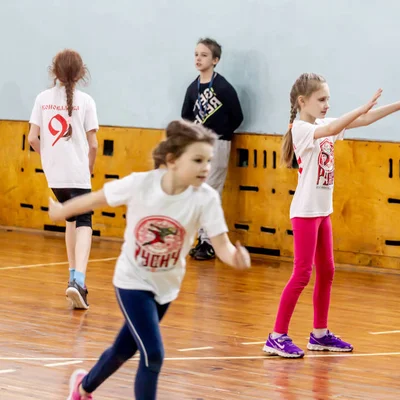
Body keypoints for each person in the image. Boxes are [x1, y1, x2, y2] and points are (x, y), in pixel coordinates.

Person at [55, 120, 251, 400]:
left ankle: (83, 388)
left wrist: (236, 259)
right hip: (132, 281)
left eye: (209, 160)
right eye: (197, 160)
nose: (206, 167)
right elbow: (95, 200)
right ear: (172, 160)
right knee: (153, 355)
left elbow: (222, 246)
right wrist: (60, 211)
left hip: (166, 287)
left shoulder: (205, 198)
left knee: (124, 349)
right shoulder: (142, 184)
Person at [263, 72, 400, 358]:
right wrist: (359, 108)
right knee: (302, 273)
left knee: (327, 272)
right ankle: (277, 336)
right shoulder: (300, 129)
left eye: (328, 99)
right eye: (321, 99)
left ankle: (320, 334)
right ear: (303, 101)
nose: (327, 104)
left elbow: (361, 120)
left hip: (322, 211)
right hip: (304, 213)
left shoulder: (324, 123)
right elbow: (338, 125)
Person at [28, 49, 99, 309]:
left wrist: (47, 158)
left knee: (71, 219)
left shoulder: (41, 99)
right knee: (84, 221)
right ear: (81, 73)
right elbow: (93, 145)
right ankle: (78, 280)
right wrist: (89, 169)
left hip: (54, 175)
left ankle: (72, 277)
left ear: (53, 71)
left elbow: (32, 138)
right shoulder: (86, 101)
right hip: (78, 174)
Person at [181, 37, 244, 260]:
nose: (199, 58)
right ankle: (202, 239)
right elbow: (186, 117)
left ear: (215, 60)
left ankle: (209, 242)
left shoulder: (223, 87)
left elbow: (237, 116)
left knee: (211, 190)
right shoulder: (192, 88)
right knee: (198, 190)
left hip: (218, 144)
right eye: (196, 54)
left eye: (204, 55)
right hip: (198, 146)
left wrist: (219, 133)